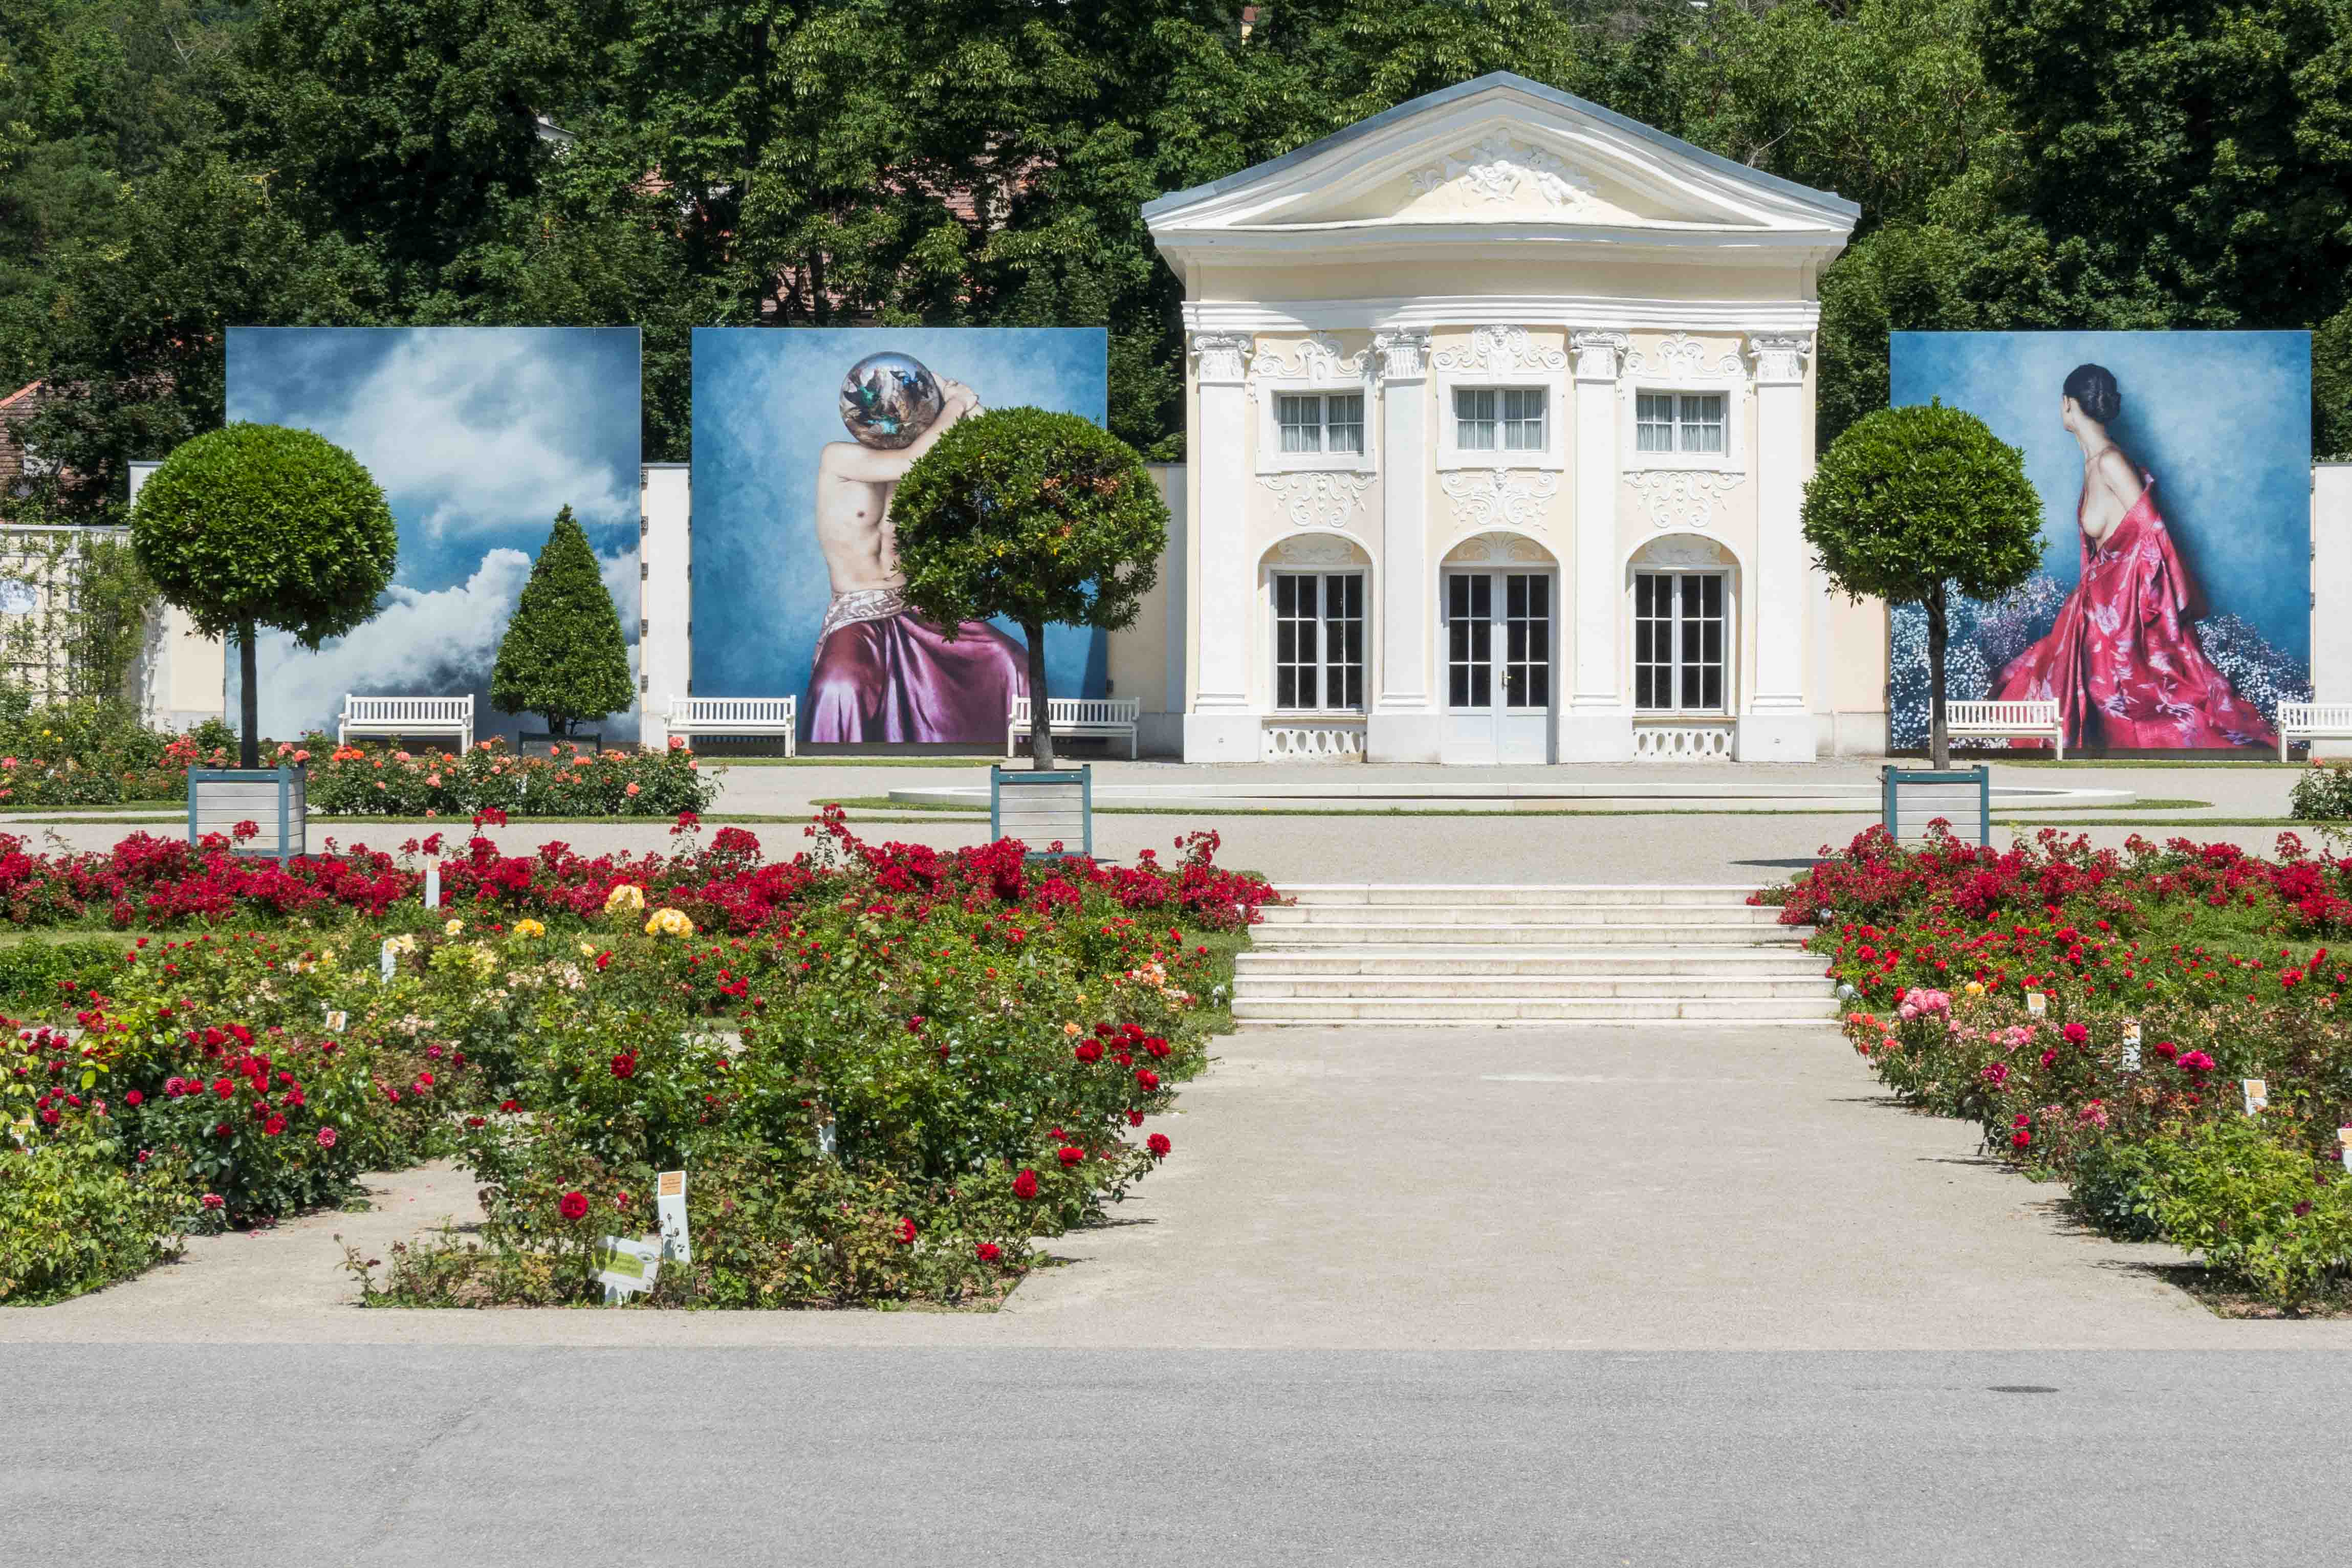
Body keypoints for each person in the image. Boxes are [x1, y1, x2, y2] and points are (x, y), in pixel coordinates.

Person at [1991, 363, 2274, 751]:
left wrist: (2148, 609)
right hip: (2094, 612)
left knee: (2144, 711)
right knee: (2034, 680)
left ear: (2068, 404)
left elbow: (2153, 531)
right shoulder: (2094, 463)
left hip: (2122, 617)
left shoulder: (2111, 462)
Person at [805, 374, 1028, 742]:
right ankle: (836, 769)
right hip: (857, 611)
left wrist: (951, 392)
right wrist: (957, 404)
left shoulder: (927, 453)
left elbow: (999, 445)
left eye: (899, 407)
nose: (890, 417)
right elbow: (910, 462)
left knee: (1010, 659)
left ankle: (1015, 753)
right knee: (840, 685)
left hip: (916, 605)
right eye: (882, 408)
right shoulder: (838, 457)